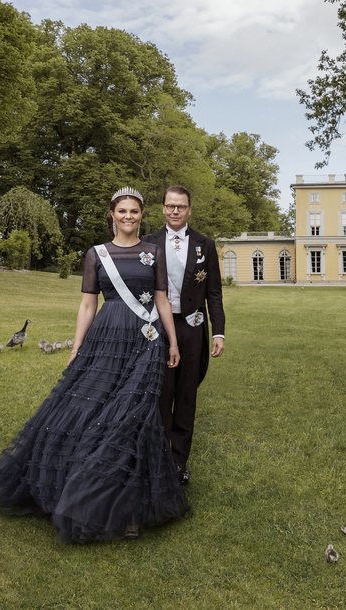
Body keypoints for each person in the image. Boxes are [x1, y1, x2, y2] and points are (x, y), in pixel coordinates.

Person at [0, 187, 189, 543]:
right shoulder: (96, 255)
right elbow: (87, 305)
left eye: (134, 212)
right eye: (122, 211)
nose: (128, 217)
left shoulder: (154, 252)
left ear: (142, 215)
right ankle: (82, 489)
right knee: (92, 409)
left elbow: (161, 299)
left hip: (146, 340)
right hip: (106, 339)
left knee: (135, 415)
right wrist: (77, 345)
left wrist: (172, 340)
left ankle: (128, 509)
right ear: (111, 214)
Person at [145, 185, 225, 486]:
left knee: (187, 396)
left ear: (189, 209)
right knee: (161, 394)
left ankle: (179, 464)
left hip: (193, 328)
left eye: (180, 206)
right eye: (170, 206)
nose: (175, 211)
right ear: (163, 208)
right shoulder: (149, 242)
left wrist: (218, 332)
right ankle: (160, 457)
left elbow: (214, 293)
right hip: (159, 328)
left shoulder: (205, 243)